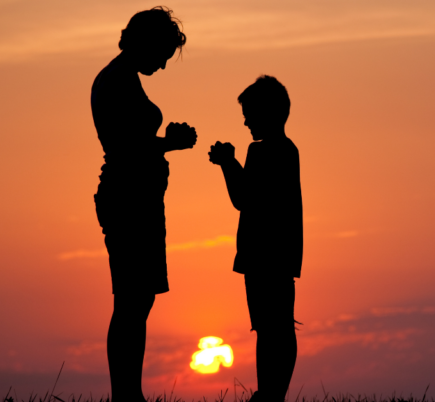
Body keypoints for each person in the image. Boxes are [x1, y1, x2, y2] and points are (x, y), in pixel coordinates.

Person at [90, 7, 197, 402]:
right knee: (132, 300)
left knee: (137, 300)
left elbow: (132, 142)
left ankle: (128, 394)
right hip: (128, 199)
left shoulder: (120, 78)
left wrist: (166, 143)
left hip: (138, 198)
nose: (164, 65)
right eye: (163, 54)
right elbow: (126, 147)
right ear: (147, 43)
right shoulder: (116, 80)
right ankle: (126, 396)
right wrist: (171, 143)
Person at [208, 75, 303, 402]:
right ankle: (271, 393)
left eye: (250, 113)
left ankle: (270, 394)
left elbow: (243, 198)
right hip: (277, 253)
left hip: (264, 254)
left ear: (270, 113)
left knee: (271, 328)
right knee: (276, 327)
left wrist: (227, 163)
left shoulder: (263, 152)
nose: (246, 120)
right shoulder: (288, 150)